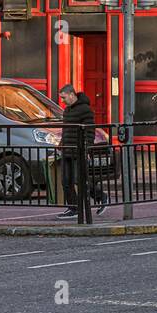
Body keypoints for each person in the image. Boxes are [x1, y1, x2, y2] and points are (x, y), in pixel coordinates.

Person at [57, 84, 107, 218]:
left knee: (79, 180)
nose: (62, 100)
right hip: (67, 149)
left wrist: (86, 149)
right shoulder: (67, 110)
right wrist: (61, 143)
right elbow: (65, 130)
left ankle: (101, 196)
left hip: (79, 150)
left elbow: (89, 132)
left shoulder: (86, 110)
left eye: (64, 97)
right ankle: (73, 208)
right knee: (65, 181)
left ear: (72, 95)